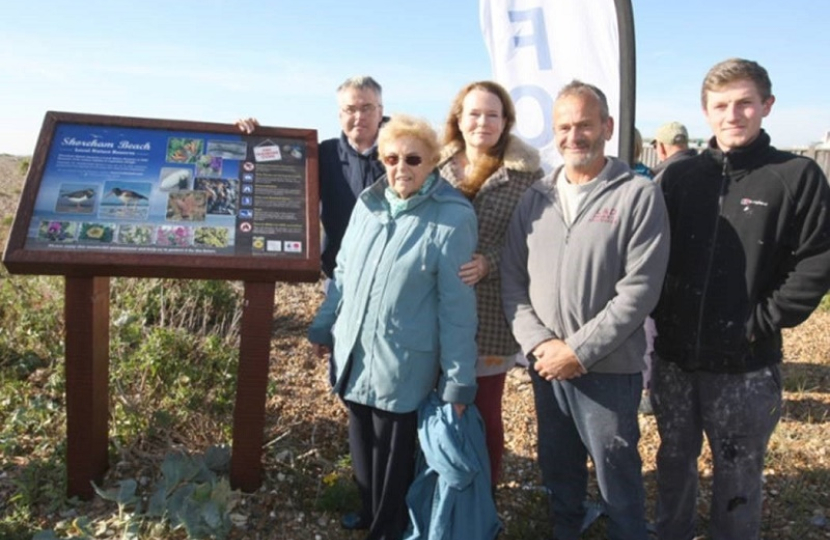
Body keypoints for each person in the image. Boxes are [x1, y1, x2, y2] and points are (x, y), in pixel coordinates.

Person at [651, 58, 830, 540]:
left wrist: (760, 321)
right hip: (674, 361)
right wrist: (659, 317)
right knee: (673, 461)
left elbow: (816, 262)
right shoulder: (679, 177)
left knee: (738, 477)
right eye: (721, 105)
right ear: (706, 112)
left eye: (745, 103)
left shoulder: (796, 176)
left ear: (766, 106)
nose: (733, 114)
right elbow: (650, 253)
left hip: (745, 367)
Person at [500, 80, 670, 540]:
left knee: (616, 465)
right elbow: (512, 280)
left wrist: (577, 350)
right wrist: (541, 344)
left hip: (608, 367)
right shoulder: (536, 198)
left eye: (585, 125)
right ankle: (565, 526)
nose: (574, 136)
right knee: (557, 459)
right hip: (546, 365)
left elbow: (640, 289)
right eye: (564, 127)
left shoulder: (637, 195)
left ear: (607, 127)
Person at [307, 114, 479, 540]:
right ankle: (368, 511)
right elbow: (343, 274)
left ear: (432, 162)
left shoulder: (452, 218)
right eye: (391, 158)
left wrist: (459, 383)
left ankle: (388, 526)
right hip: (356, 351)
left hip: (403, 361)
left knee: (395, 456)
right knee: (362, 440)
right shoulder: (369, 205)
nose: (401, 168)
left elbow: (457, 309)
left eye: (413, 158)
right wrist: (322, 328)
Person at [437, 80, 543, 489]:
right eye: (474, 113)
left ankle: (484, 495)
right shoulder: (435, 167)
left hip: (493, 312)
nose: (482, 122)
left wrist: (490, 263)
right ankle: (442, 487)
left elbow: (537, 241)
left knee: (483, 409)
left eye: (492, 114)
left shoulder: (526, 176)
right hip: (437, 309)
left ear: (506, 122)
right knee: (439, 404)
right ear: (459, 120)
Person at [237, 75, 386, 279]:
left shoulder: (404, 156)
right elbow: (277, 174)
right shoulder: (323, 154)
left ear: (381, 111)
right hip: (340, 275)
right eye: (350, 109)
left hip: (391, 274)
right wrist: (251, 137)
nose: (359, 116)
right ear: (340, 115)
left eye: (367, 107)